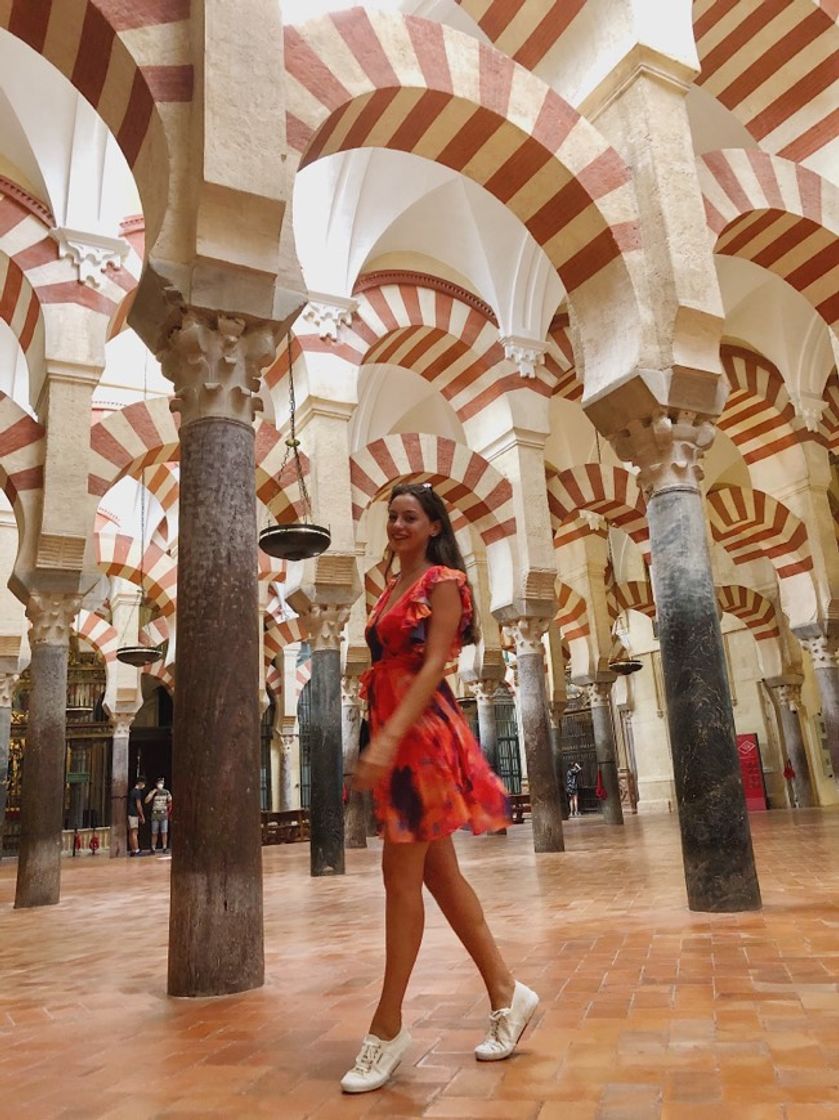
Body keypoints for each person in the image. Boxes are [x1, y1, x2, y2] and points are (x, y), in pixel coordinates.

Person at [341, 482, 539, 1095]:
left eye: (410, 517)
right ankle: (509, 992)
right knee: (441, 879)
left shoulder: (443, 582)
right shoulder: (390, 586)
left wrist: (387, 738)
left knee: (399, 883)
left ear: (432, 526)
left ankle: (387, 1028)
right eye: (392, 515)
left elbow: (432, 668)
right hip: (394, 731)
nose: (398, 525)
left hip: (420, 741)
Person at [144, 777, 172, 853]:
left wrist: (167, 809)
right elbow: (146, 801)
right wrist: (153, 792)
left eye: (162, 783)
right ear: (156, 784)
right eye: (160, 783)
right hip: (155, 814)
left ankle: (164, 848)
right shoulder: (153, 792)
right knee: (154, 832)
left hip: (164, 814)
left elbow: (170, 801)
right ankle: (153, 848)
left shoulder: (166, 792)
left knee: (164, 832)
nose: (161, 784)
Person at [127, 776, 146, 856]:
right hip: (134, 814)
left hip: (130, 813)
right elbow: (138, 805)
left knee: (131, 832)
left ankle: (133, 849)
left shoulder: (132, 791)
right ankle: (137, 850)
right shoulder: (137, 792)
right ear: (140, 783)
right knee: (135, 832)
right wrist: (142, 815)